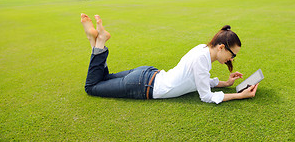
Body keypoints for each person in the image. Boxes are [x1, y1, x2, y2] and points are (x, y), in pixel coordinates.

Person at [81, 13, 259, 104]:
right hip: (144, 85)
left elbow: (201, 80)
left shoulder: (202, 50)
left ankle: (95, 41)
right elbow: (206, 96)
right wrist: (240, 96)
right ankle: (99, 41)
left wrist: (227, 84)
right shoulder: (202, 60)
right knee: (92, 87)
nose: (232, 58)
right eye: (232, 54)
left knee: (101, 80)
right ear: (221, 47)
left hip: (146, 75)